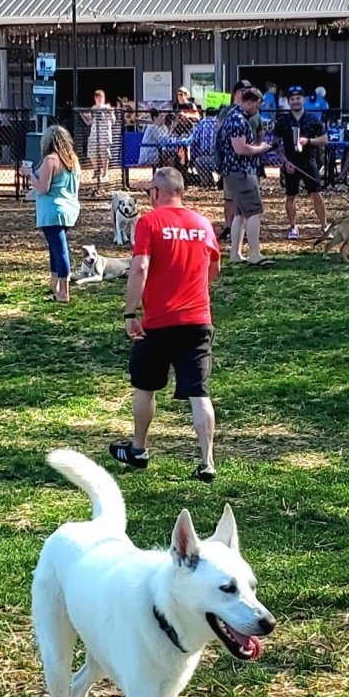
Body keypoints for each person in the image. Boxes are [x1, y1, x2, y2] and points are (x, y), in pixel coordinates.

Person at [115, 167, 221, 481]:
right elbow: (213, 267)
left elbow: (139, 268)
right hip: (198, 320)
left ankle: (139, 449)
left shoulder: (149, 222)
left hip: (158, 322)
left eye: (150, 192)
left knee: (145, 387)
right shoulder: (203, 223)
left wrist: (130, 313)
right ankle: (207, 461)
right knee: (199, 392)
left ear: (157, 193)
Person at [215, 86, 274, 265]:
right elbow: (240, 148)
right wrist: (261, 149)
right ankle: (255, 254)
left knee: (240, 214)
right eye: (256, 106)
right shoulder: (238, 120)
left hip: (234, 171)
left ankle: (235, 254)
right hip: (240, 171)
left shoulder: (232, 116)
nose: (257, 109)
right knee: (255, 211)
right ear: (248, 102)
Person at [31, 124, 83, 303]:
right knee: (55, 248)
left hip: (52, 210)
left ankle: (64, 291)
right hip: (69, 208)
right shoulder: (73, 160)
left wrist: (29, 174)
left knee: (60, 250)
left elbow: (43, 188)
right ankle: (55, 285)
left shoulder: (50, 160)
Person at [277, 88, 330, 241]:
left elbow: (324, 140)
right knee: (290, 196)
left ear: (303, 100)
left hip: (309, 161)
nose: (295, 101)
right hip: (290, 164)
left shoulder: (312, 119)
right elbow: (276, 145)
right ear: (288, 101)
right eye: (292, 99)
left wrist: (308, 141)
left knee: (317, 194)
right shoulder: (283, 121)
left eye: (298, 98)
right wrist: (285, 161)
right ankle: (293, 226)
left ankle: (324, 226)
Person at [82, 89, 119, 187]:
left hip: (104, 133)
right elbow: (89, 122)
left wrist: (110, 112)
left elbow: (113, 120)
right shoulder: (93, 108)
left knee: (104, 152)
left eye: (101, 97)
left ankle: (105, 172)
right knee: (92, 152)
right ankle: (96, 170)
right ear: (95, 98)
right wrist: (83, 115)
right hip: (94, 133)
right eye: (97, 97)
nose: (99, 99)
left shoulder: (107, 107)